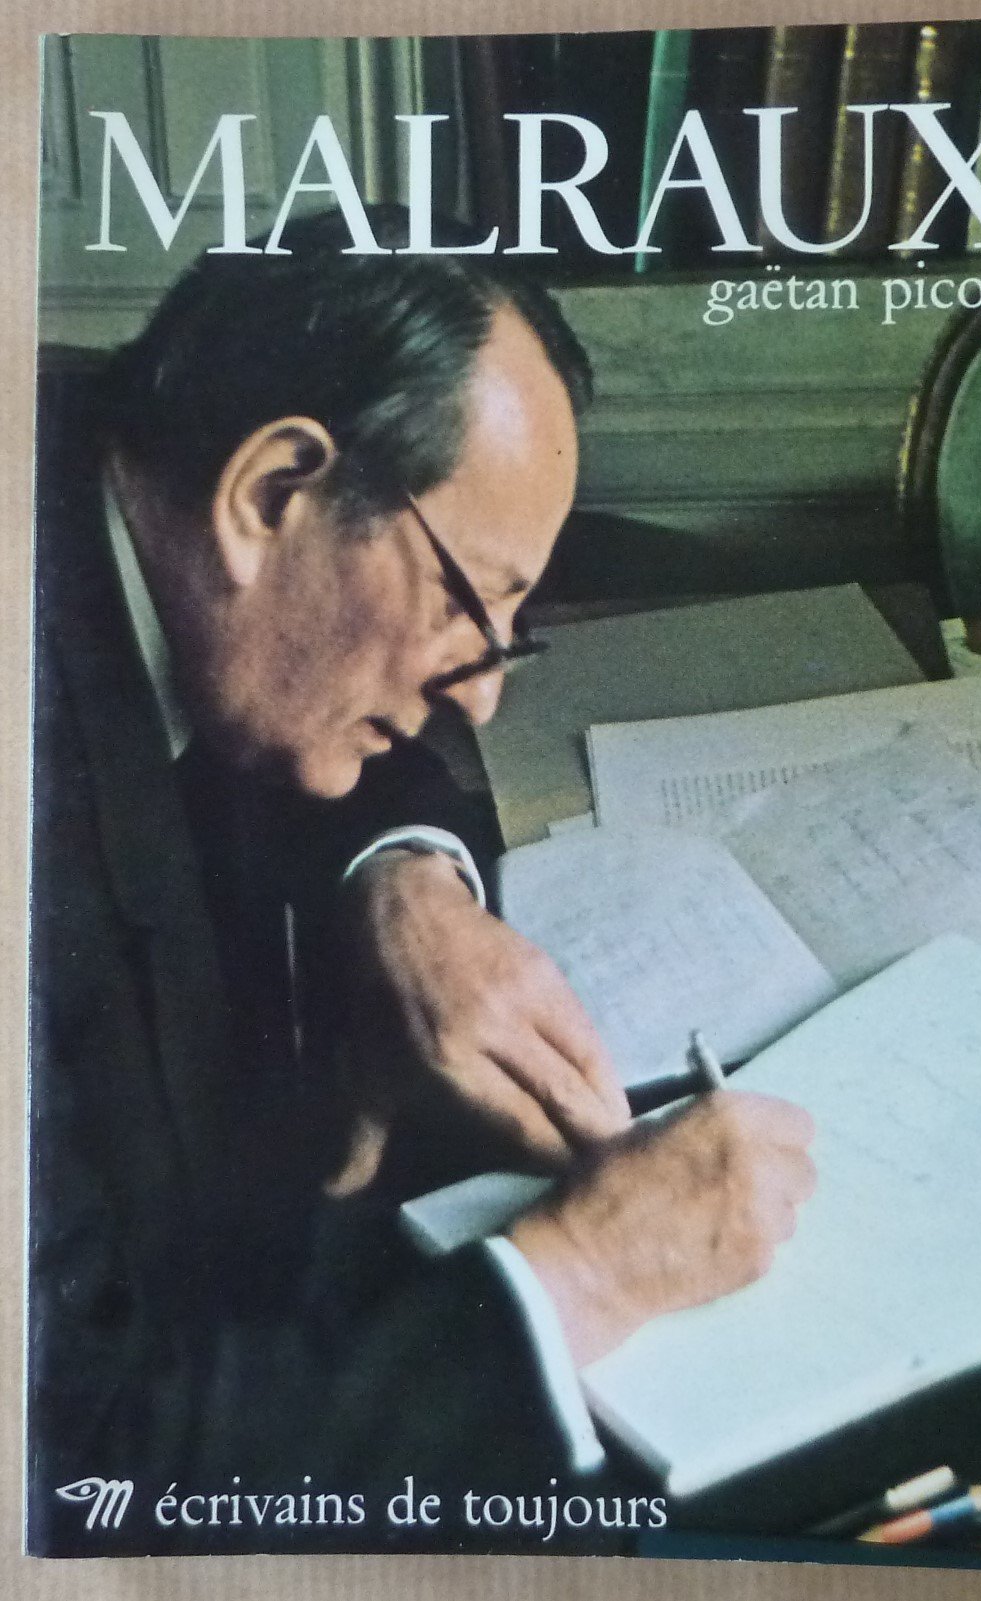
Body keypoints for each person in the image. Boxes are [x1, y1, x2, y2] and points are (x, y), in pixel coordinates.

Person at [28, 205, 815, 1555]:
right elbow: (81, 1466)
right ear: (272, 494)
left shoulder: (116, 448)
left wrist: (403, 881)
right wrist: (584, 1274)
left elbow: (295, 683)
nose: (485, 691)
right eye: (469, 598)